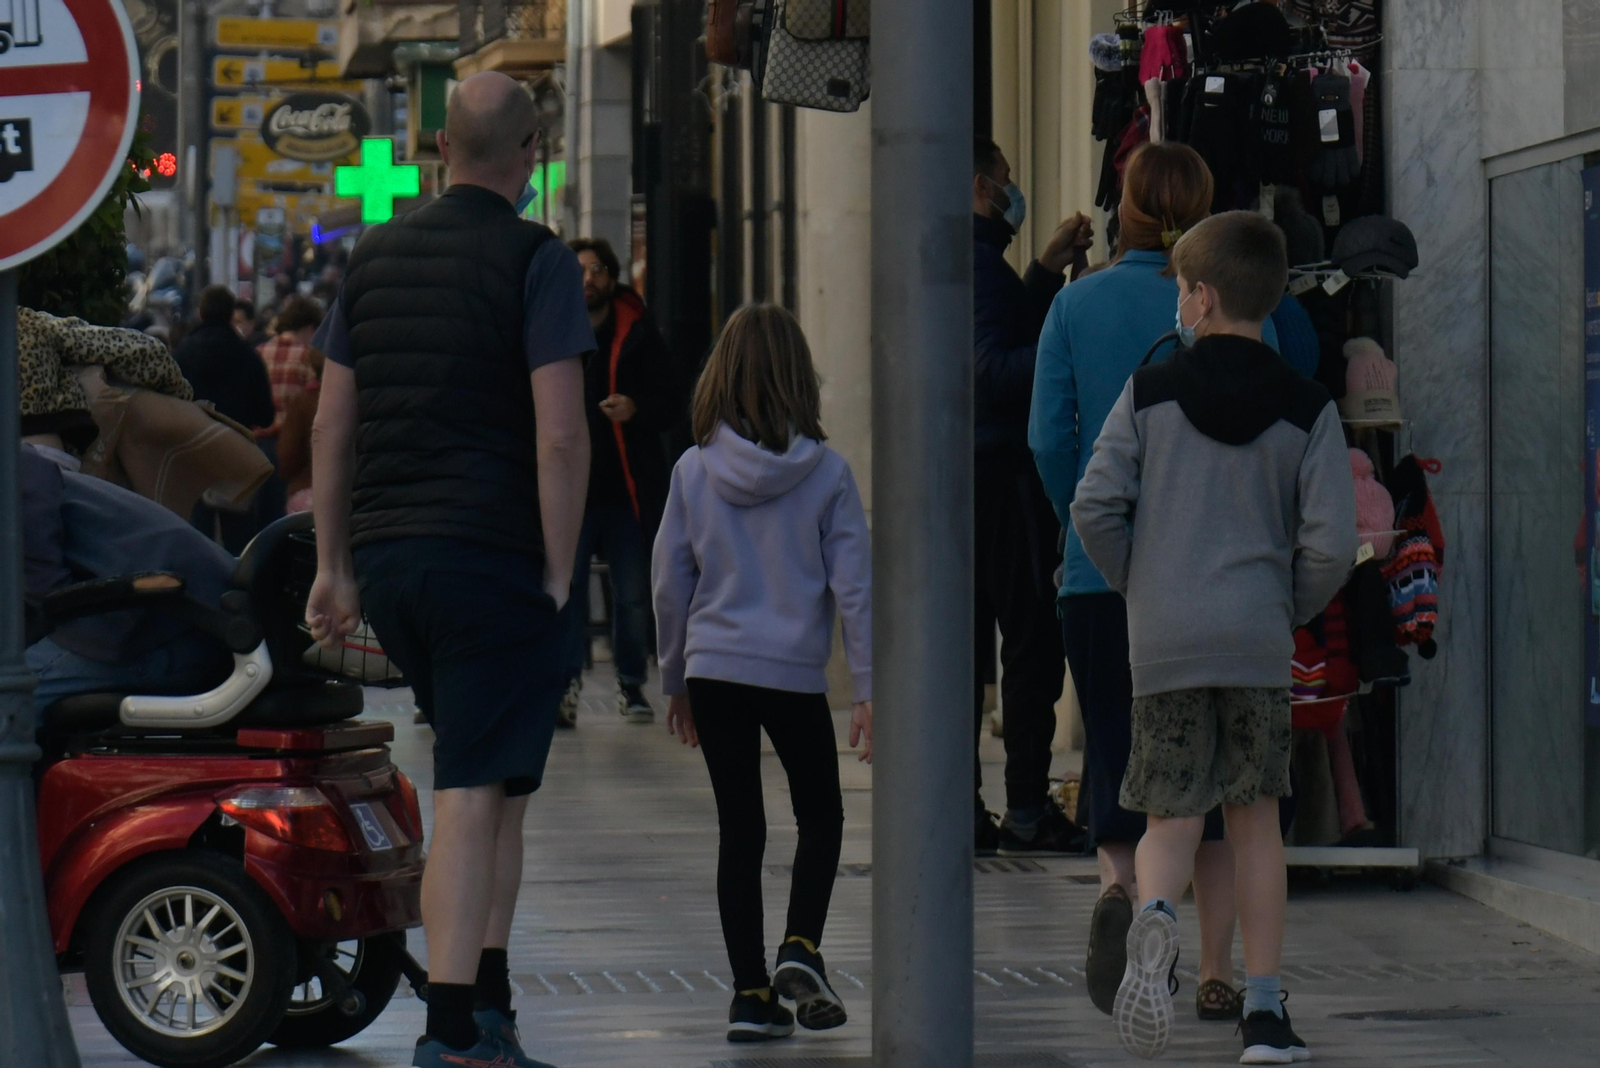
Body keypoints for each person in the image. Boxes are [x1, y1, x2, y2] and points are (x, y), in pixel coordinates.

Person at [304, 71, 593, 1068]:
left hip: (392, 559)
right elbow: (561, 436)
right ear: (526, 156)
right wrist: (561, 571)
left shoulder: (371, 260)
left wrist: (334, 567)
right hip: (493, 556)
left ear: (438, 152)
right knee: (472, 789)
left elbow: (332, 424)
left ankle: (494, 1004)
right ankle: (451, 1032)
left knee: (500, 780)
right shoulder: (536, 260)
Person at [1071, 211, 1356, 1063]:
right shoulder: (1308, 407)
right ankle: (1263, 1015)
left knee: (1169, 815)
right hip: (1255, 640)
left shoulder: (1149, 394)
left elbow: (1094, 504)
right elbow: (1333, 543)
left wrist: (1141, 584)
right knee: (1255, 821)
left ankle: (1156, 921)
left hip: (1166, 636)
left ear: (1197, 297)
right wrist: (1285, 606)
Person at [1030, 142, 1282, 1021]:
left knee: (1121, 751)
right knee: (1220, 787)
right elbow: (1280, 398)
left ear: (1122, 205)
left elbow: (1049, 440)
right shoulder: (1233, 304)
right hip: (1220, 583)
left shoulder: (1076, 304)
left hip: (1101, 576)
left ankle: (1120, 888)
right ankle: (1218, 967)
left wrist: (1100, 542)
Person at [653, 305, 872, 1045]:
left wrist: (674, 677)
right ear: (798, 380)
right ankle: (800, 946)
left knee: (739, 828)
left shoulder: (691, 470)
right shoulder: (829, 473)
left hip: (714, 668)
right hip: (792, 674)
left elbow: (668, 582)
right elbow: (856, 589)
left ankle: (750, 995)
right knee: (822, 815)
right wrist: (867, 687)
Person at [970, 136, 1094, 857]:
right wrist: (1065, 336)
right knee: (1030, 646)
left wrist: (1045, 273)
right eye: (1007, 181)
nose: (1014, 192)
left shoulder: (977, 261)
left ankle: (985, 805)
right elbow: (993, 370)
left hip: (978, 474)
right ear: (984, 187)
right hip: (1001, 477)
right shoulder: (977, 264)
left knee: (997, 648)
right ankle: (1023, 803)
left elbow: (1002, 328)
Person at [21, 443, 235, 719]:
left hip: (172, 630)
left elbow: (41, 594)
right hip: (159, 622)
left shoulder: (15, 476)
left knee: (10, 693)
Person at [560, 237, 677, 727]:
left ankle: (631, 684)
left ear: (612, 276)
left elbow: (672, 401)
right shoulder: (551, 329)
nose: (588, 280)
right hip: (570, 491)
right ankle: (564, 683)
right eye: (579, 271)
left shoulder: (639, 331)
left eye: (597, 270)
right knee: (565, 593)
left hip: (625, 490)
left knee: (631, 594)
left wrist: (635, 409)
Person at [176, 285, 278, 553]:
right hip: (235, 455)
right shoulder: (248, 357)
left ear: (200, 312)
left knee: (196, 535)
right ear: (232, 314)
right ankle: (237, 587)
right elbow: (265, 415)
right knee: (239, 542)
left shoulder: (182, 353)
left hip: (193, 454)